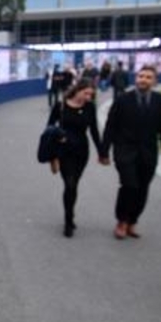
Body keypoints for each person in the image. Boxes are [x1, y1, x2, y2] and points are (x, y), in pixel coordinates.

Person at [100, 65, 161, 239]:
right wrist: (104, 152)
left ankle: (133, 221)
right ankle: (122, 220)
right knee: (129, 185)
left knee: (142, 188)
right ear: (136, 78)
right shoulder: (122, 99)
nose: (143, 79)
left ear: (155, 81)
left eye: (148, 77)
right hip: (125, 150)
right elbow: (110, 127)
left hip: (148, 152)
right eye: (141, 76)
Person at [47, 80, 106, 237]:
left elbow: (94, 130)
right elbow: (49, 127)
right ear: (77, 90)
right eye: (85, 93)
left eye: (91, 95)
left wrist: (101, 152)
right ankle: (68, 221)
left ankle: (70, 213)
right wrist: (57, 139)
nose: (88, 97)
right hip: (63, 151)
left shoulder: (90, 107)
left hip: (81, 152)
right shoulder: (60, 105)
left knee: (74, 184)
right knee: (70, 184)